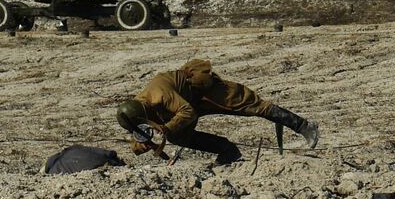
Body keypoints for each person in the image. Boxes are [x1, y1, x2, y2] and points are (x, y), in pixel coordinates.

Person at [115, 58, 319, 165]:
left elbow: (187, 112)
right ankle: (227, 151)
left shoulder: (160, 93)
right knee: (178, 136)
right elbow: (143, 134)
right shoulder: (134, 112)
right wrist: (139, 145)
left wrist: (165, 129)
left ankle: (304, 126)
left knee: (253, 105)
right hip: (186, 101)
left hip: (202, 91)